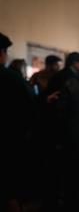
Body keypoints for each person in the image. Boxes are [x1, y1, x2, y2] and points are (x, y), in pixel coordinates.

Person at [0, 32, 35, 212]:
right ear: (2, 53)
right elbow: (31, 108)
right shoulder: (12, 78)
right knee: (9, 192)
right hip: (8, 142)